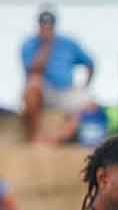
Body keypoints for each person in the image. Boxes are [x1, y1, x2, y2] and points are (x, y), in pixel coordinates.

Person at [21, 10, 94, 142]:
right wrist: (47, 46)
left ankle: (58, 139)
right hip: (44, 91)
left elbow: (90, 63)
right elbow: (35, 70)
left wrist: (85, 86)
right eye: (43, 25)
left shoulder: (68, 43)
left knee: (90, 104)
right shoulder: (29, 44)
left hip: (66, 90)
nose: (47, 28)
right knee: (34, 84)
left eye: (49, 25)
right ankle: (35, 137)